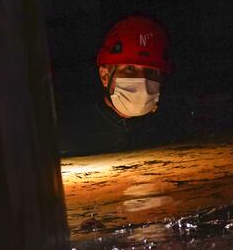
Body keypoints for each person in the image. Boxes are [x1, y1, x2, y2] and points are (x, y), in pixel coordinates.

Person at [59, 14, 177, 156]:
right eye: (129, 69)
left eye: (151, 71)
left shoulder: (172, 129)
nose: (142, 80)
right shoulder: (71, 135)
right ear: (104, 76)